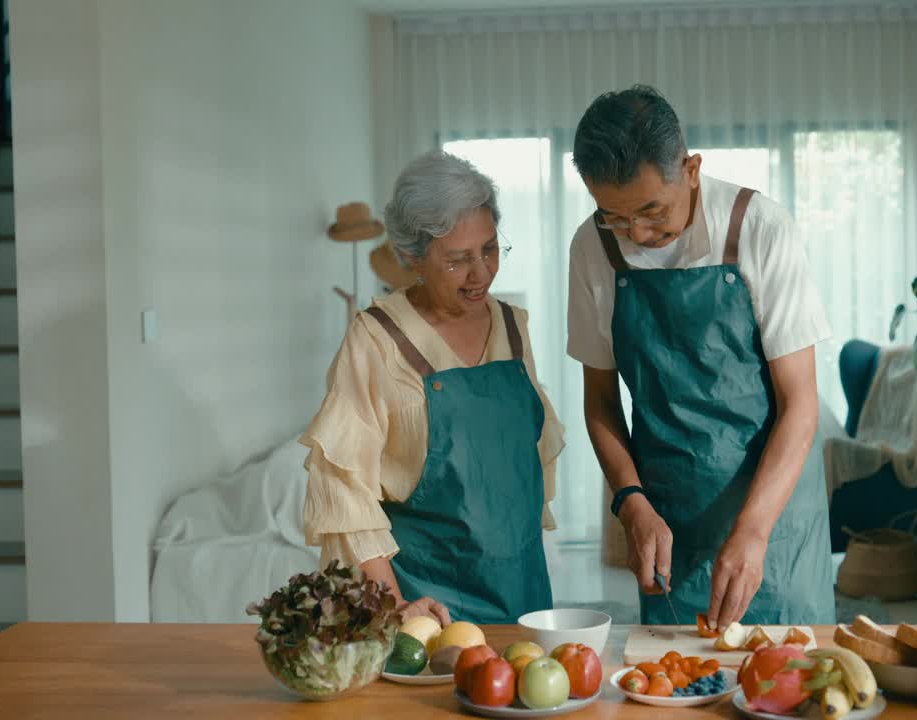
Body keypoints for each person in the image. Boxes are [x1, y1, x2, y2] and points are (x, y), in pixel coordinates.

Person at [566, 85, 834, 629]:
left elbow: (800, 403)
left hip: (772, 519)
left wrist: (754, 530)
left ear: (691, 170)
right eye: (616, 217)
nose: (638, 233)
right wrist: (632, 501)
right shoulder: (591, 247)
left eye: (651, 210)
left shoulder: (760, 228)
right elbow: (600, 402)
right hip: (669, 518)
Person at [302, 151, 565, 626]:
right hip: (425, 605)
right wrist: (394, 607)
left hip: (522, 590)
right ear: (411, 257)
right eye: (458, 260)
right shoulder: (376, 340)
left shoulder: (512, 326)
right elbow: (345, 491)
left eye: (489, 249)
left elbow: (525, 466)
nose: (481, 273)